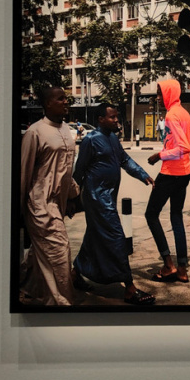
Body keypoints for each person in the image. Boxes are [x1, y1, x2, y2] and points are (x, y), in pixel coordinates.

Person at [72, 103, 156, 305]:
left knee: (94, 236)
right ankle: (129, 288)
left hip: (109, 195)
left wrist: (143, 175)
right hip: (96, 197)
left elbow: (125, 160)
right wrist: (74, 199)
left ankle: (75, 274)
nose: (117, 120)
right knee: (117, 237)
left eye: (117, 117)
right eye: (112, 117)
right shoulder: (91, 140)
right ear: (100, 119)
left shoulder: (112, 138)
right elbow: (79, 171)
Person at [19, 86, 82, 305]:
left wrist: (73, 197)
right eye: (60, 99)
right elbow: (24, 172)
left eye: (66, 98)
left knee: (41, 253)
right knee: (59, 251)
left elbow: (65, 170)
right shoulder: (35, 132)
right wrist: (20, 211)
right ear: (47, 103)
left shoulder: (66, 130)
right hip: (40, 205)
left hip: (59, 203)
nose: (66, 101)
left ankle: (29, 287)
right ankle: (61, 301)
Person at [144, 80, 190, 283]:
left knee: (151, 215)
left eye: (160, 93)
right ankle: (181, 268)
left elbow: (183, 147)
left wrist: (159, 155)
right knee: (176, 216)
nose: (158, 97)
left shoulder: (172, 114)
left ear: (169, 93)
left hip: (172, 172)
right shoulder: (184, 112)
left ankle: (168, 265)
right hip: (184, 172)